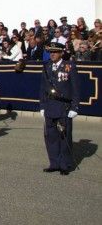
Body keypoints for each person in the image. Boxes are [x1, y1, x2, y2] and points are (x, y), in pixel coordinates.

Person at [39, 42, 80, 175]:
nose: (52, 54)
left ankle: (65, 164)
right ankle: (54, 163)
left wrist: (75, 107)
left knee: (64, 136)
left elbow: (75, 88)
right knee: (50, 136)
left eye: (55, 52)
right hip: (50, 105)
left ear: (61, 53)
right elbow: (43, 88)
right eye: (51, 52)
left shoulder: (69, 66)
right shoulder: (47, 66)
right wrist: (42, 105)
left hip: (64, 106)